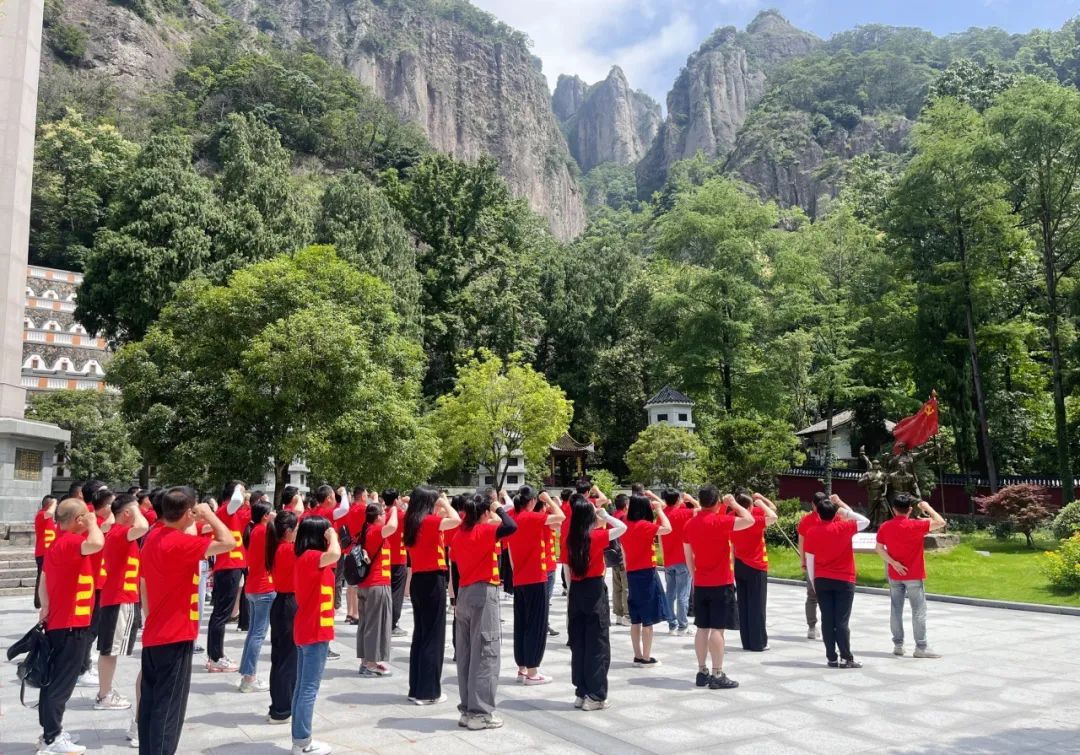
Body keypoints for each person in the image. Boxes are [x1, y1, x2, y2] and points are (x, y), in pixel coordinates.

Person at [139, 487, 235, 754]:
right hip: (175, 634)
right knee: (169, 708)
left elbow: (144, 584)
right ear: (187, 513)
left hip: (156, 631)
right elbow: (228, 542)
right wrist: (211, 514)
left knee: (150, 703)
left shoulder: (154, 536)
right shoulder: (180, 544)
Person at [36, 499, 105, 754]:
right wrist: (92, 523)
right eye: (85, 516)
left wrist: (45, 607)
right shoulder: (72, 541)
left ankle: (50, 732)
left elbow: (44, 578)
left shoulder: (58, 542)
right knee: (61, 684)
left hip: (62, 621)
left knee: (55, 681)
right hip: (71, 624)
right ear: (78, 520)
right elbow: (97, 543)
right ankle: (52, 738)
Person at [452, 492, 518, 729]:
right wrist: (498, 507)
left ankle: (467, 709)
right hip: (483, 592)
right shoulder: (484, 531)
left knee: (466, 654)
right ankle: (480, 713)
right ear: (483, 513)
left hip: (464, 593)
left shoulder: (458, 534)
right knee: (485, 653)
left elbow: (455, 568)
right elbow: (511, 526)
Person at [683, 487, 754, 690]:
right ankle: (717, 673)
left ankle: (701, 671)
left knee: (701, 628)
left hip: (701, 582)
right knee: (717, 629)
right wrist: (734, 504)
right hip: (721, 582)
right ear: (717, 502)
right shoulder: (721, 521)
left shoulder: (690, 524)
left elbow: (688, 556)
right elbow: (749, 520)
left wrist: (695, 577)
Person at [566, 493, 626, 710]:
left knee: (579, 644)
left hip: (576, 591)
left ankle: (581, 691)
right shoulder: (596, 537)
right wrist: (605, 515)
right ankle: (596, 695)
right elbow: (622, 527)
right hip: (593, 590)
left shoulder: (571, 539)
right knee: (597, 644)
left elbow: (567, 570)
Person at [403, 486, 461, 705]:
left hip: (419, 580)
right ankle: (428, 692)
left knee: (420, 636)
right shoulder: (428, 522)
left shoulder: (412, 521)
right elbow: (456, 520)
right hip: (432, 580)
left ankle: (416, 688)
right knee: (433, 637)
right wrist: (444, 502)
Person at [290, 515, 341, 755]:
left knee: (303, 687)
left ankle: (299, 738)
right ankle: (302, 742)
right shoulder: (311, 556)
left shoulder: (309, 558)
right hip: (314, 630)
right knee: (308, 688)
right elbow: (335, 554)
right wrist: (333, 536)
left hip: (310, 628)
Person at [95, 493, 149, 712]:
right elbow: (143, 526)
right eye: (135, 510)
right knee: (111, 649)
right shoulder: (120, 533)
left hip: (119, 597)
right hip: (120, 598)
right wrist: (133, 509)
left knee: (111, 648)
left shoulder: (117, 532)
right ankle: (104, 695)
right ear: (127, 513)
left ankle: (105, 692)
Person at [875, 494, 946, 659]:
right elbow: (941, 522)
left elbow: (879, 549)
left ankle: (898, 645)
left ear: (894, 509)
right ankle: (921, 646)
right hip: (913, 573)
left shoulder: (885, 526)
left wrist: (893, 563)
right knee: (918, 611)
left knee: (896, 609)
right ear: (909, 509)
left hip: (895, 573)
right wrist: (926, 507)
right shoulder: (916, 525)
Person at [804, 493, 870, 669]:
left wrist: (814, 582)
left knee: (827, 619)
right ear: (835, 514)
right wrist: (844, 510)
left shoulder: (812, 532)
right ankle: (846, 657)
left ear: (818, 513)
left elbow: (810, 560)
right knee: (841, 621)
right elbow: (865, 521)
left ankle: (831, 657)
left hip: (822, 579)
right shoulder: (843, 527)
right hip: (844, 579)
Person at [507, 486, 565, 685]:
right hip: (535, 578)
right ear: (531, 501)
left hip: (519, 578)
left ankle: (522, 668)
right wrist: (547, 499)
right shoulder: (531, 517)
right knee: (536, 625)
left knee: (521, 624)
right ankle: (532, 672)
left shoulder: (512, 518)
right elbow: (561, 517)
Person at [621, 493, 672, 666]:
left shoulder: (625, 523)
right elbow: (667, 528)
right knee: (648, 619)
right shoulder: (643, 525)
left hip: (631, 572)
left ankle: (637, 654)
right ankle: (646, 656)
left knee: (635, 618)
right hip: (646, 573)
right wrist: (659, 511)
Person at [208, 480, 249, 673]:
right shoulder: (225, 510)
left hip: (234, 566)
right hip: (228, 566)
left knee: (221, 613)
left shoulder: (235, 513)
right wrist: (238, 489)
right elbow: (236, 500)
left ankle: (216, 655)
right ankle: (215, 657)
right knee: (221, 613)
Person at [356, 499, 400, 677]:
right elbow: (393, 526)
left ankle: (365, 661)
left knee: (366, 624)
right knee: (376, 625)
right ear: (377, 517)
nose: (386, 516)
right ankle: (371, 663)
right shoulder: (375, 531)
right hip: (377, 584)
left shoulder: (367, 530)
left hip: (367, 585)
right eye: (383, 514)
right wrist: (394, 510)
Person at [78, 485, 114, 689]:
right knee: (89, 627)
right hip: (91, 581)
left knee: (91, 627)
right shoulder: (92, 520)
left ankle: (83, 663)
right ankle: (82, 669)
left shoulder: (92, 518)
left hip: (96, 579)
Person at [731, 491, 777, 652]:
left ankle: (747, 641)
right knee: (757, 606)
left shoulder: (732, 518)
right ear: (750, 507)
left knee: (743, 605)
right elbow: (773, 515)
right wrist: (761, 501)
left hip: (739, 564)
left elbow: (773, 509)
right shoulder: (754, 521)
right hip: (756, 566)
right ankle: (758, 642)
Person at [239, 499, 276, 692]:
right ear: (265, 516)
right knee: (258, 634)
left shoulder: (254, 530)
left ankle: (247, 674)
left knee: (253, 633)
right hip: (264, 588)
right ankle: (249, 678)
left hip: (253, 587)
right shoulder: (264, 531)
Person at [267, 510, 299, 724]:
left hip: (281, 602)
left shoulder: (277, 546)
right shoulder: (288, 549)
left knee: (280, 658)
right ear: (288, 531)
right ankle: (282, 709)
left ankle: (279, 705)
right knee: (287, 659)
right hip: (288, 604)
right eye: (296, 530)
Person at [659, 489, 696, 636]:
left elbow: (660, 537)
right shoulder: (685, 513)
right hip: (683, 559)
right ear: (677, 500)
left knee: (670, 593)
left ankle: (672, 624)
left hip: (669, 559)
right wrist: (691, 499)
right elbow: (704, 509)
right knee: (683, 595)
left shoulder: (662, 515)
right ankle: (683, 626)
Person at [382, 489, 410, 637]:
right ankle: (392, 624)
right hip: (398, 559)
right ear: (395, 500)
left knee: (386, 592)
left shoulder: (382, 515)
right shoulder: (401, 515)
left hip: (384, 558)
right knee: (397, 593)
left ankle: (385, 621)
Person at [797, 502, 822, 640]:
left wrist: (802, 560)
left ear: (813, 504)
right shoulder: (832, 517)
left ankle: (812, 627)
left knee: (812, 596)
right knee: (825, 596)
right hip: (826, 562)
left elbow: (801, 541)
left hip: (810, 561)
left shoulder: (806, 520)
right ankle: (827, 626)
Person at [33, 494, 58, 609]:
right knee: (41, 577)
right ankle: (38, 602)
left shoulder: (49, 520)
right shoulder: (41, 515)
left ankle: (46, 600)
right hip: (42, 553)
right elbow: (49, 513)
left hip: (50, 553)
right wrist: (54, 502)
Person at [609, 494, 630, 627]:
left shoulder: (612, 516)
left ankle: (618, 614)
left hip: (612, 555)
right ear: (626, 505)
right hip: (622, 555)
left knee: (616, 586)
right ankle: (627, 614)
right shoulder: (624, 518)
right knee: (626, 586)